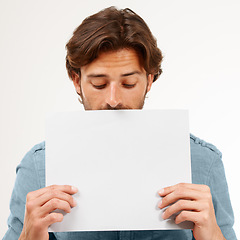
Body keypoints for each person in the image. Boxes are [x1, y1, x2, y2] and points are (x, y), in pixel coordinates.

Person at [3, 6, 236, 240]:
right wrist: (29, 236)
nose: (113, 100)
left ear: (149, 80)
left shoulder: (204, 162)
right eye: (99, 84)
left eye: (128, 84)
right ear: (77, 81)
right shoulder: (37, 166)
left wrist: (213, 234)